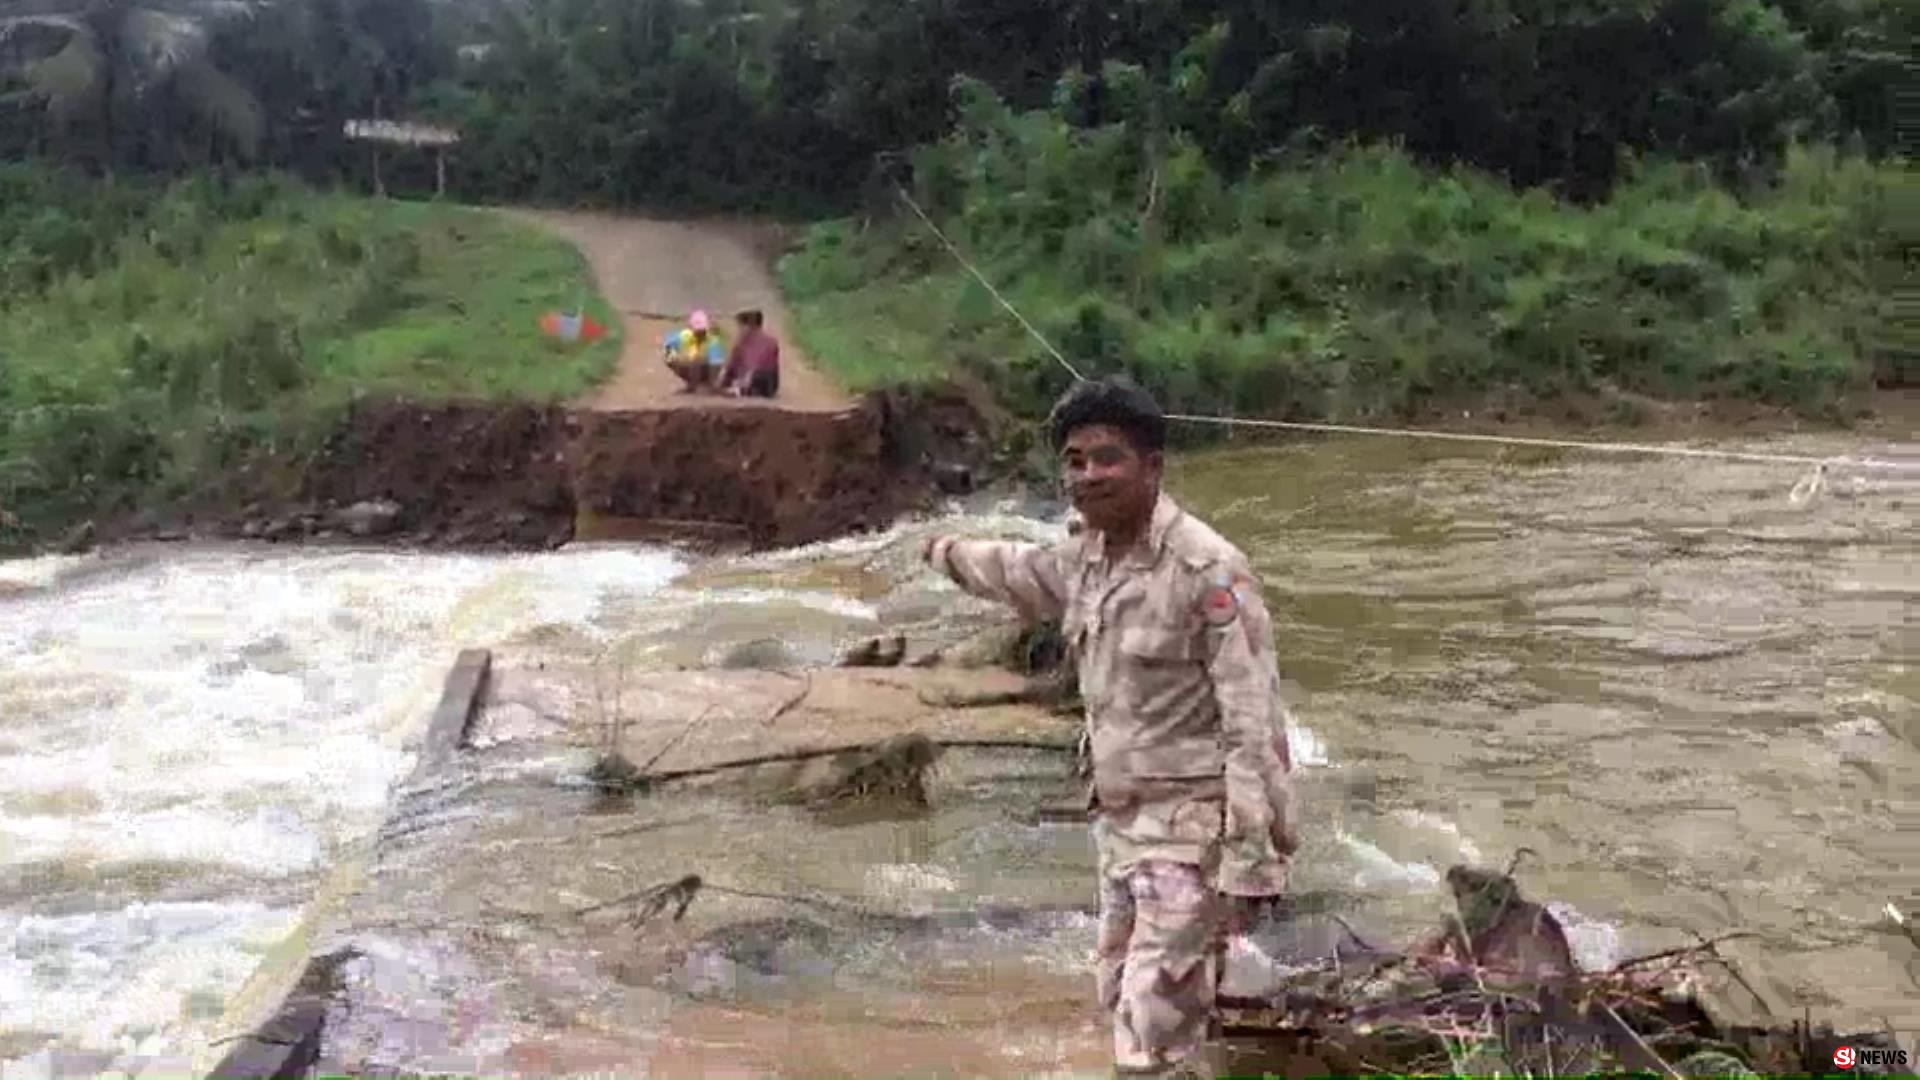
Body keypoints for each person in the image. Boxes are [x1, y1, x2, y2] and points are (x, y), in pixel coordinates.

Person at [922, 376, 1299, 1079]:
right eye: (1074, 461)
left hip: (1191, 833)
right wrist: (939, 550)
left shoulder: (1207, 572)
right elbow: (1012, 569)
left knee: (1149, 1031)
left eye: (1107, 458)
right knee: (1124, 996)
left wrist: (1254, 861)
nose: (1087, 476)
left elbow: (1255, 723)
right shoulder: (1085, 557)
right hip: (1119, 826)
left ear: (1152, 466)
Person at [719, 308, 781, 399]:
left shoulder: (769, 342)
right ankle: (740, 389)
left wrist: (745, 378)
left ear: (750, 326)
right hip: (744, 379)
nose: (739, 330)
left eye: (741, 326)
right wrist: (724, 374)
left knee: (757, 374)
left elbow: (761, 364)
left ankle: (742, 390)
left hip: (764, 382)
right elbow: (731, 363)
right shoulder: (740, 343)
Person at [663, 309, 728, 392]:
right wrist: (678, 358)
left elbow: (716, 364)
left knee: (697, 360)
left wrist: (713, 384)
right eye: (697, 331)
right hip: (695, 366)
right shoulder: (686, 336)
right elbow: (667, 347)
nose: (699, 333)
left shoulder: (712, 340)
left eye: (702, 331)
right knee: (679, 358)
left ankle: (703, 384)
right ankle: (693, 384)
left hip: (710, 368)